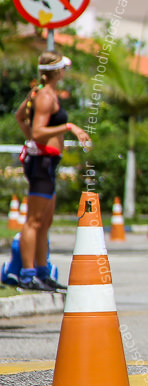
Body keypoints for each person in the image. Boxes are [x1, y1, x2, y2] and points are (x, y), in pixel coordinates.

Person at [13, 53, 90, 292]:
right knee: (34, 222)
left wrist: (33, 140)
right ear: (57, 72)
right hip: (42, 164)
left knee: (45, 221)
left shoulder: (42, 93)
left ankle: (42, 272)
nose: (65, 73)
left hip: (47, 162)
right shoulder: (45, 96)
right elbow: (37, 131)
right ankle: (27, 275)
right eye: (63, 69)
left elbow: (19, 118)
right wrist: (69, 127)